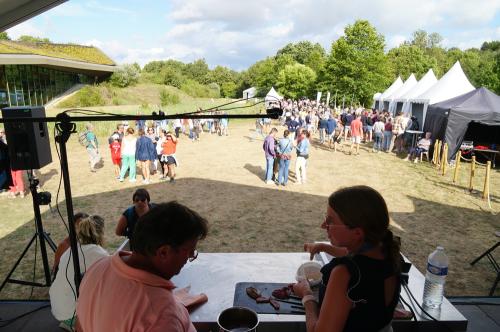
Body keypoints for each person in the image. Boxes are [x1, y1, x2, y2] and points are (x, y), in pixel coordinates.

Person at [76, 201, 208, 332]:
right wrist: (166, 306)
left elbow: (80, 325)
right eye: (190, 250)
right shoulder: (161, 315)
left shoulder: (98, 267)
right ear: (163, 252)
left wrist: (170, 302)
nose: (191, 256)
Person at [293, 186, 401, 332]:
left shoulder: (344, 274)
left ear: (357, 232)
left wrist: (307, 296)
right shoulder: (387, 252)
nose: (323, 225)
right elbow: (354, 253)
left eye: (330, 221)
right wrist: (323, 247)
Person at [50, 215, 109, 331]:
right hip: (71, 314)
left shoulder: (72, 249)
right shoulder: (99, 253)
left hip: (57, 308)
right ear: (100, 233)